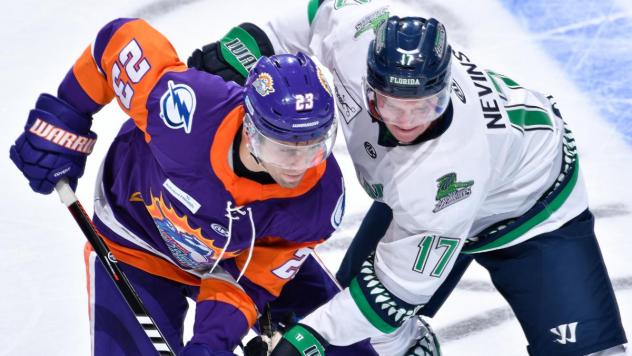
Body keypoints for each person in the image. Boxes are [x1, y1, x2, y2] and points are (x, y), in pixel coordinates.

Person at [188, 1, 628, 355]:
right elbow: (316, 14)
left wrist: (306, 339)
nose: (407, 121)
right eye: (392, 104)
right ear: (369, 80)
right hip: (431, 206)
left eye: (424, 106)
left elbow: (391, 295)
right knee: (369, 339)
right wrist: (240, 53)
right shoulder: (358, 37)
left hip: (531, 209)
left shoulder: (444, 169)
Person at [9, 17, 377, 355]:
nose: (297, 166)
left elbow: (250, 279)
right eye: (281, 148)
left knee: (346, 350)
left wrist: (210, 343)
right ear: (251, 130)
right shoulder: (189, 110)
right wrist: (67, 113)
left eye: (313, 147)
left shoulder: (321, 198)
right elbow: (118, 41)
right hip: (137, 240)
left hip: (237, 255)